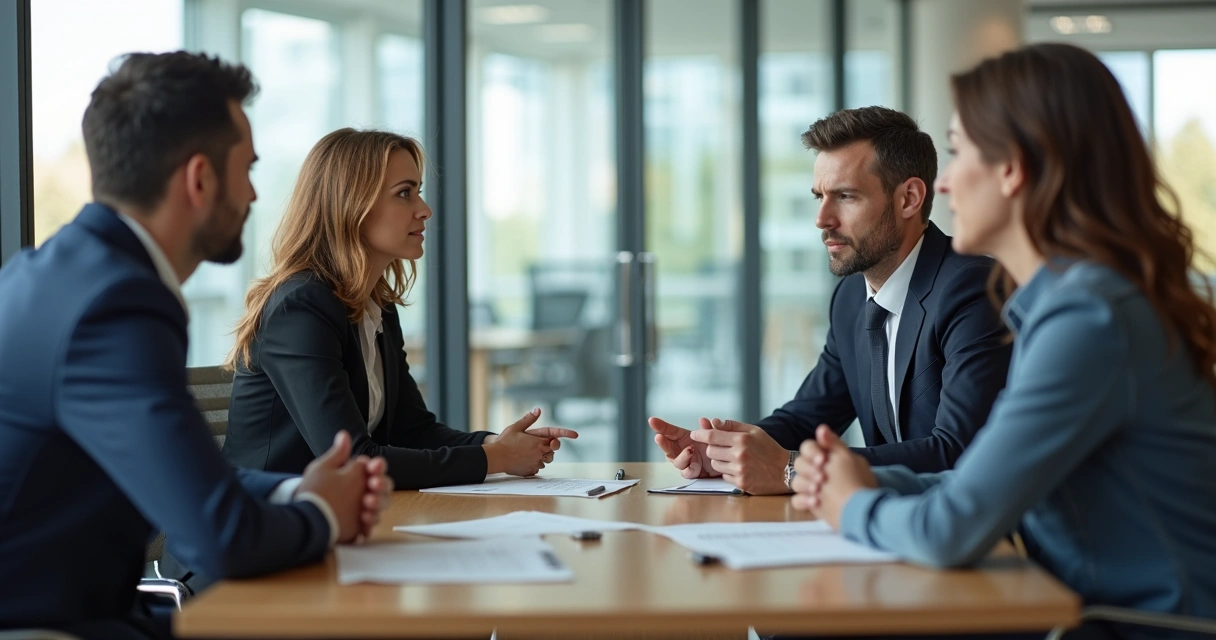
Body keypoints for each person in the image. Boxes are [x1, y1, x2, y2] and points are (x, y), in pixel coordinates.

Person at [792, 43, 1216, 639]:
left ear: (1012, 169)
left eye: (961, 151)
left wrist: (851, 504)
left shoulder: (1089, 320)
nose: (943, 186)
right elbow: (979, 482)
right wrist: (868, 480)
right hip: (1069, 609)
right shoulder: (1065, 305)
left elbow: (951, 529)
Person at [0, 52, 390, 639]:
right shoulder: (115, 305)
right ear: (200, 178)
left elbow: (189, 477)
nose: (256, 194)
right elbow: (220, 537)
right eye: (248, 169)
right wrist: (322, 514)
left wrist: (296, 488)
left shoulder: (62, 275)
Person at [650, 106, 1012, 495]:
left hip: (970, 540)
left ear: (909, 198)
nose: (822, 219)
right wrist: (725, 453)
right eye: (819, 196)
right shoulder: (852, 299)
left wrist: (793, 469)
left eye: (845, 196)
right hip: (890, 523)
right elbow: (808, 417)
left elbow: (960, 452)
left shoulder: (973, 289)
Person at [222, 128, 577, 490]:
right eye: (404, 194)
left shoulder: (377, 305)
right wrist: (498, 458)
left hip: (340, 519)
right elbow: (352, 460)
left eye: (418, 192)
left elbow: (413, 430)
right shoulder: (300, 309)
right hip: (268, 531)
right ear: (352, 204)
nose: (424, 210)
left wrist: (496, 444)